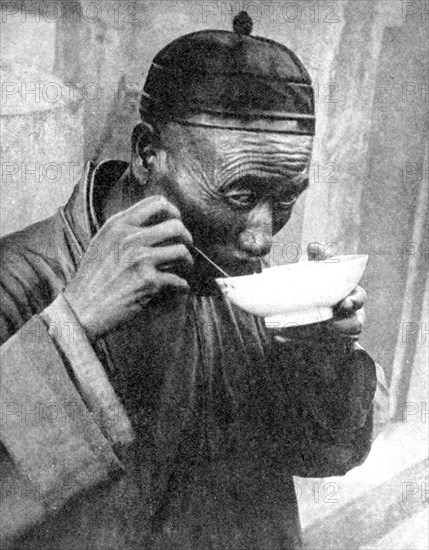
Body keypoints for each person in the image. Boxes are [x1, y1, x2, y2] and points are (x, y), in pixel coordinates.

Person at [0, 13, 388, 550]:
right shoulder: (20, 275)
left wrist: (324, 353)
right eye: (241, 196)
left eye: (286, 200)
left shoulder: (237, 278)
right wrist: (73, 321)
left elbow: (322, 454)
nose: (261, 240)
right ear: (146, 154)